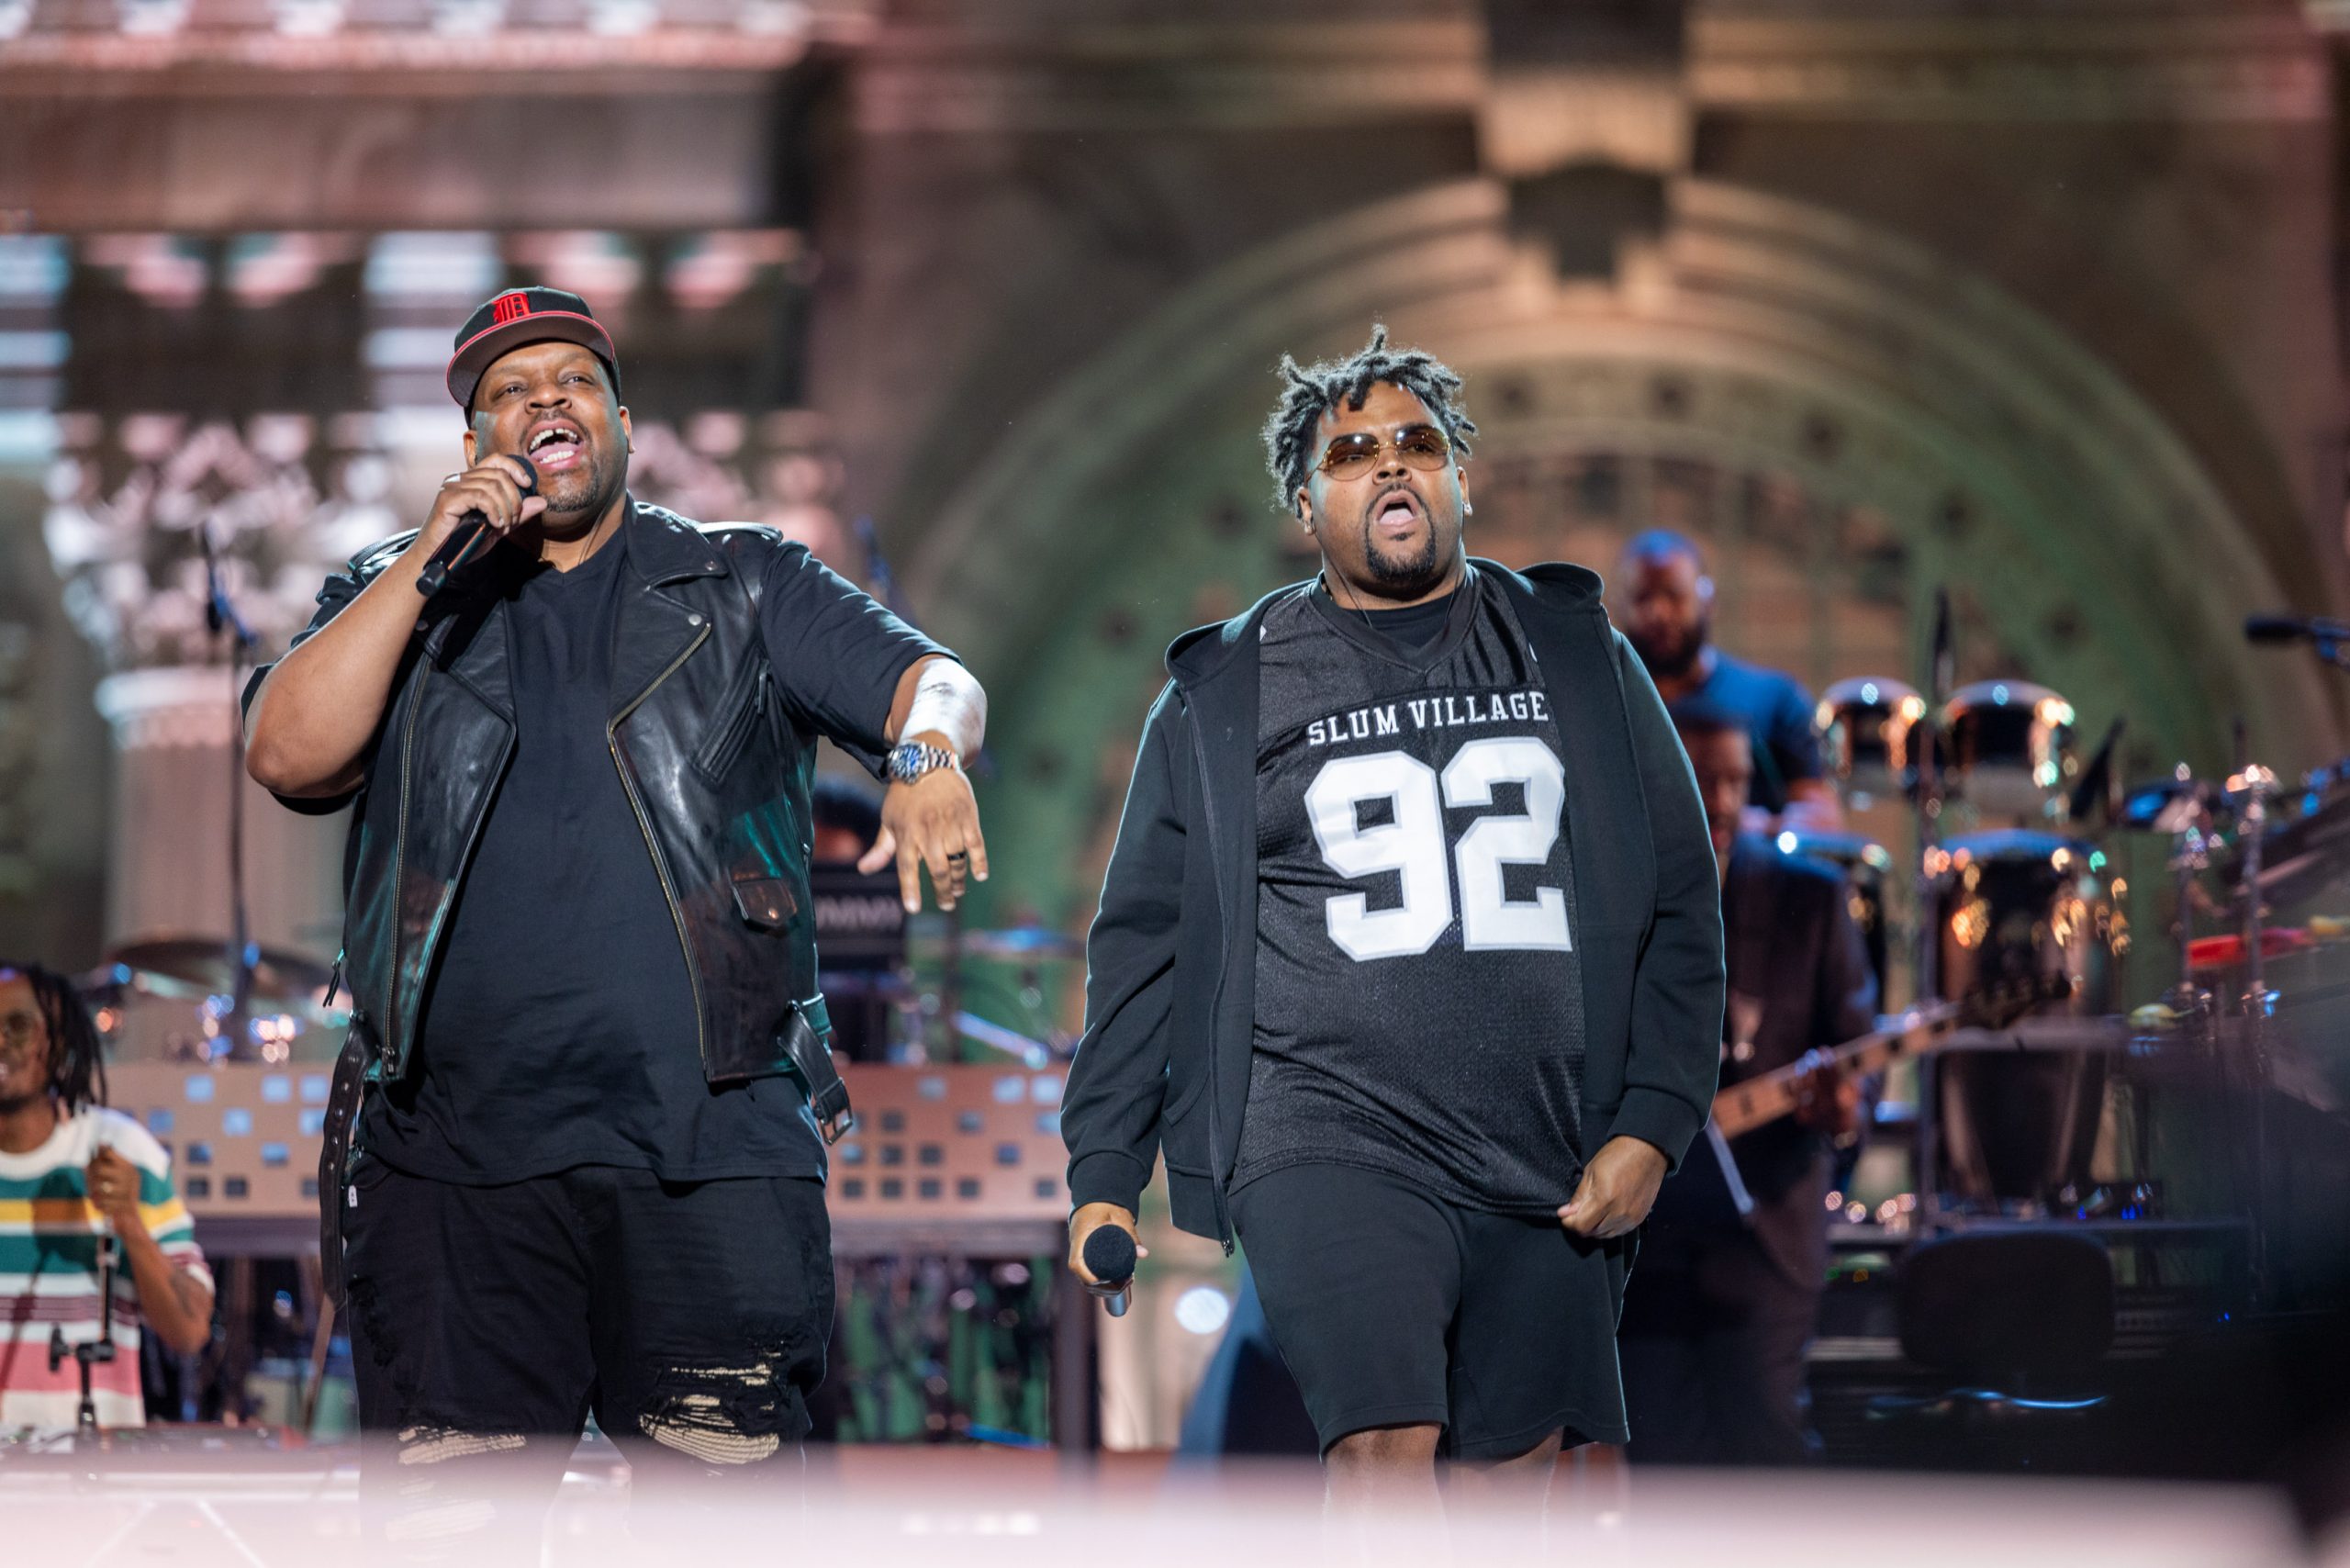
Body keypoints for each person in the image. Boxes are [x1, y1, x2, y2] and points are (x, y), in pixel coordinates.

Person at [242, 287, 989, 1534]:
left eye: (574, 381)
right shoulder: (401, 597)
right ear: (475, 444)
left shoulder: (741, 581)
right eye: (511, 392)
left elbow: (934, 678)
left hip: (709, 1157)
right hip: (451, 1172)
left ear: (624, 421)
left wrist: (926, 760)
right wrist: (425, 567)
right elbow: (286, 753)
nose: (548, 404)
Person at [1061, 327, 1724, 1517]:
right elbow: (1141, 942)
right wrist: (1105, 1166)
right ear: (1307, 508)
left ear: (1464, 481)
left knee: (1516, 1490)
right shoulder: (1231, 688)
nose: (1391, 466)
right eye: (1353, 451)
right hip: (1324, 1130)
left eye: (1418, 443)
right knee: (1385, 1444)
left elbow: (1681, 896)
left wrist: (1657, 1122)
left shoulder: (1573, 653)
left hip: (1545, 1143)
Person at [1616, 700, 1875, 1465]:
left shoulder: (1812, 898)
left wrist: (1841, 1109)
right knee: (1659, 1458)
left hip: (1767, 1232)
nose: (1722, 801)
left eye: (1734, 781)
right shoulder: (1613, 900)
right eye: (1701, 780)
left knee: (1767, 1449)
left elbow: (1857, 1056)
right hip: (1647, 1234)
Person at [0, 962, 213, 1429]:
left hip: (90, 1484)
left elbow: (190, 1329)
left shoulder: (122, 1150)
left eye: (16, 1027)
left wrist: (130, 1224)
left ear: (56, 1040)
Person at [1613, 529, 1841, 834]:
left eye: (1673, 595)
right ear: (1618, 607)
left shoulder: (1775, 700)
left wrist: (1747, 827)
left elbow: (1824, 819)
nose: (1659, 612)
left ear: (1708, 600)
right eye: (1643, 598)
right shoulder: (1599, 705)